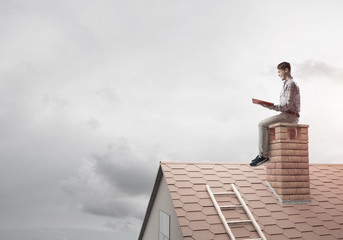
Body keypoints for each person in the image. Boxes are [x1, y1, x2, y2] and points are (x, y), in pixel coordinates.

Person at [250, 62, 300, 167]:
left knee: (262, 124)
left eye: (279, 71)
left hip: (289, 116)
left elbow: (287, 106)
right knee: (265, 124)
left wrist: (270, 106)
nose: (278, 74)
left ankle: (263, 156)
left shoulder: (291, 84)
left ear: (286, 70)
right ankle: (263, 154)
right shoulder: (287, 84)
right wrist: (268, 105)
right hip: (287, 114)